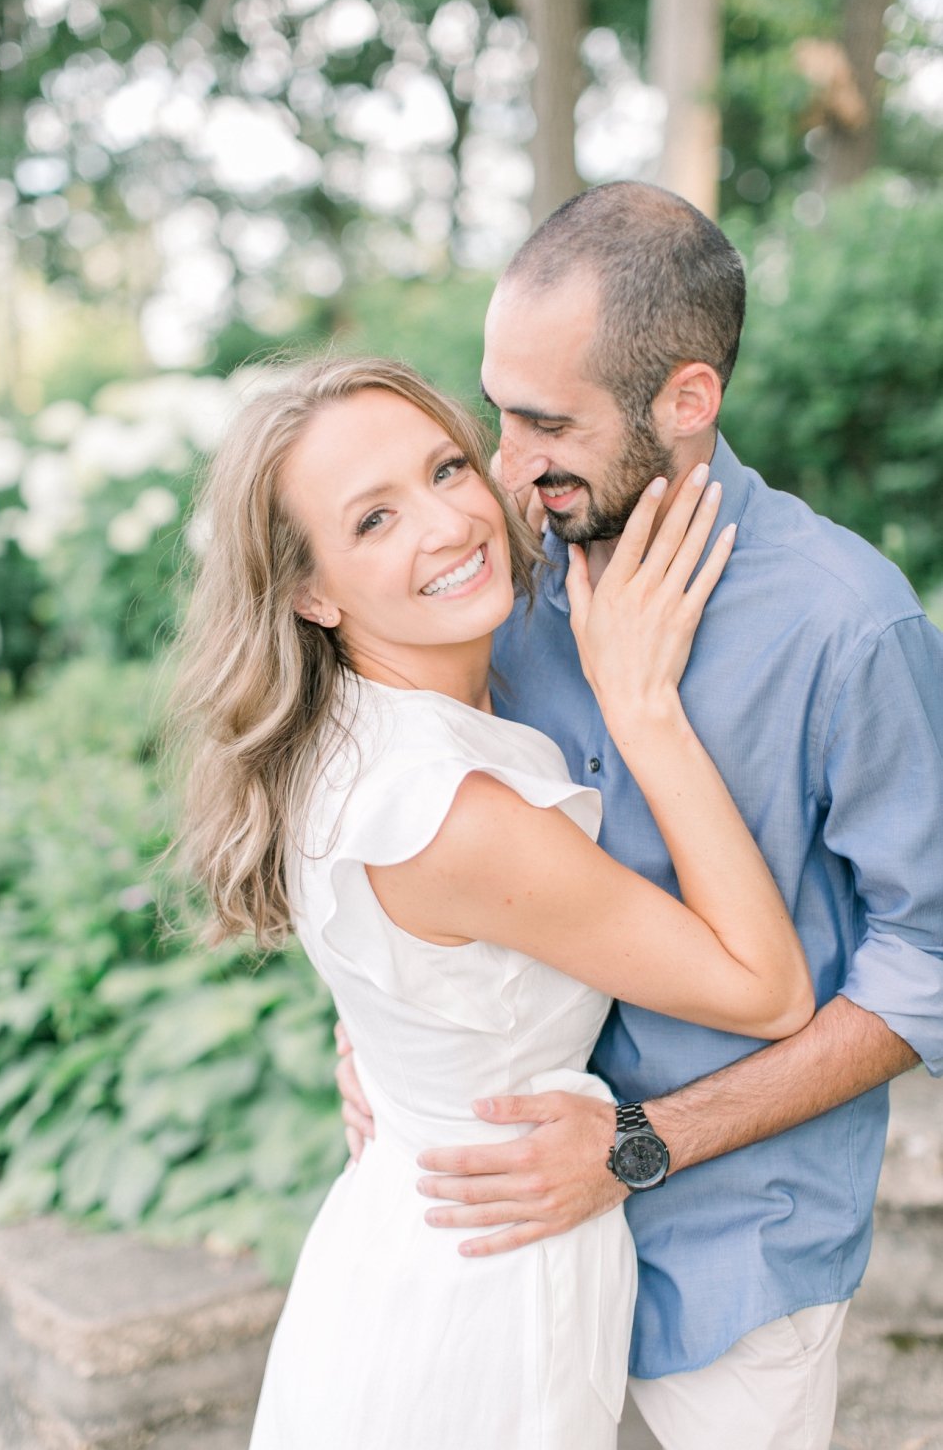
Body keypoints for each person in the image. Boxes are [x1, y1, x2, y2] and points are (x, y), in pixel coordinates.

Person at [335, 182, 943, 1450]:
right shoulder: (489, 569)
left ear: (686, 401)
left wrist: (642, 1143)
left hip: (736, 1255)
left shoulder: (847, 625)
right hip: (495, 1250)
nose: (501, 468)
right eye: (494, 412)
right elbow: (403, 795)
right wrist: (382, 1028)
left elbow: (928, 963)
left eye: (546, 424)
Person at [170, 353, 815, 1450]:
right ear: (311, 592)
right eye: (373, 520)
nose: (446, 524)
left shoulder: (349, 728)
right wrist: (643, 705)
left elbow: (408, 948)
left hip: (400, 1244)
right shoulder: (455, 810)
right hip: (485, 1288)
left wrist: (387, 1043)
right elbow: (766, 991)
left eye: (445, 469)